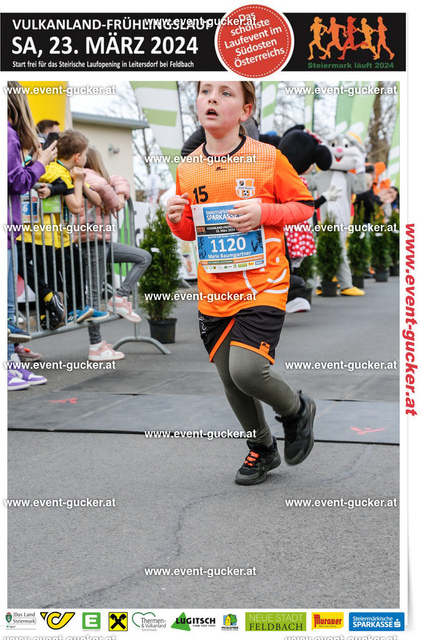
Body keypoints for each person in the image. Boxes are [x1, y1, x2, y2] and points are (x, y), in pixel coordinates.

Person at [167, 81, 316, 485]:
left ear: (246, 110)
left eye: (225, 93)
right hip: (214, 292)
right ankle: (262, 448)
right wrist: (175, 218)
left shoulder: (268, 157)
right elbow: (190, 231)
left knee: (248, 370)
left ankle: (297, 410)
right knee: (230, 378)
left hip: (263, 284)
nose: (212, 98)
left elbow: (303, 206)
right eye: (205, 91)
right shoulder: (187, 167)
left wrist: (263, 213)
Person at [74, 147, 152, 361]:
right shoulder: (88, 176)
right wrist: (116, 199)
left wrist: (119, 194)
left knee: (143, 257)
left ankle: (119, 297)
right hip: (92, 241)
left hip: (103, 241)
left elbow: (119, 179)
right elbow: (103, 188)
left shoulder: (96, 178)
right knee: (94, 295)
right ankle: (95, 346)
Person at [18, 129, 101, 329]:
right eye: (86, 154)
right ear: (78, 156)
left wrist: (80, 183)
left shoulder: (66, 172)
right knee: (53, 275)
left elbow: (97, 199)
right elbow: (75, 206)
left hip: (57, 236)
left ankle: (68, 311)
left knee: (67, 271)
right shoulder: (56, 170)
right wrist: (76, 183)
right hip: (43, 235)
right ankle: (66, 312)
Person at [7, 80, 53, 389]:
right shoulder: (7, 133)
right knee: (5, 308)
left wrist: (32, 166)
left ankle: (11, 363)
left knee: (7, 307)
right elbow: (16, 181)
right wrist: (41, 164)